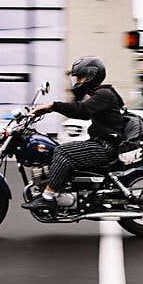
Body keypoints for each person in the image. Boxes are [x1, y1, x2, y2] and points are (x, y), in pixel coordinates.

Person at [22, 56, 124, 211]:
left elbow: (81, 110)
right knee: (60, 149)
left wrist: (53, 106)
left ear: (91, 75)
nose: (77, 81)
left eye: (80, 77)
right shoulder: (101, 94)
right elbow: (82, 109)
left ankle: (48, 197)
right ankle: (61, 188)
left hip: (106, 147)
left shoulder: (104, 95)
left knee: (62, 152)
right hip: (102, 143)